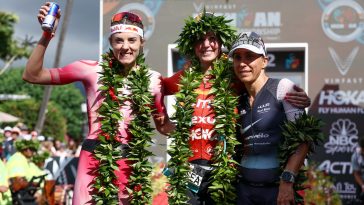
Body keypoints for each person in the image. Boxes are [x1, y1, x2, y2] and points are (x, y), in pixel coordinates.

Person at [23, 3, 174, 204]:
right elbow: (32, 75)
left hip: (130, 162)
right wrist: (46, 35)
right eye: (118, 40)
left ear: (141, 42)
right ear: (110, 42)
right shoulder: (90, 70)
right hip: (93, 159)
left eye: (132, 40)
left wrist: (200, 127)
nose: (125, 46)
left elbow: (163, 126)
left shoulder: (154, 80)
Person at [163, 12, 311, 204]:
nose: (206, 44)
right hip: (193, 169)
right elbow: (157, 88)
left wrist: (297, 97)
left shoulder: (236, 79)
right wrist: (162, 122)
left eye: (213, 38)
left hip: (225, 172)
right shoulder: (187, 76)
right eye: (200, 39)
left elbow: (264, 85)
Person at [229, 31, 310, 205]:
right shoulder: (235, 98)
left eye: (249, 56)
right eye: (237, 57)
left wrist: (287, 181)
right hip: (243, 192)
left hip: (277, 191)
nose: (242, 63)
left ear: (264, 61)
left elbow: (304, 140)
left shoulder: (283, 88)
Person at [6, 139, 45, 204]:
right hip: (17, 196)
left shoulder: (24, 160)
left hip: (23, 194)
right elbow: (17, 183)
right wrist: (35, 184)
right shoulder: (18, 159)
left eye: (33, 150)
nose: (33, 152)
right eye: (31, 149)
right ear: (25, 149)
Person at [351, 137, 364, 203]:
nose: (362, 151)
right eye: (362, 149)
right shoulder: (355, 156)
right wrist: (363, 186)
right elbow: (356, 173)